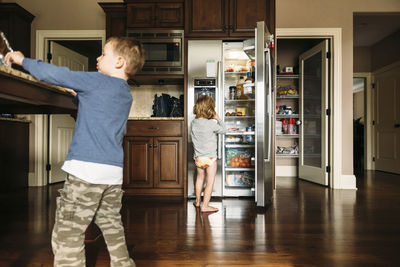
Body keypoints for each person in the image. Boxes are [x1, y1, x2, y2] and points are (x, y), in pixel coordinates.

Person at [4, 36, 145, 267]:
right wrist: (78, 94)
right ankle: (123, 263)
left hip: (86, 173)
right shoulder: (124, 93)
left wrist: (22, 60)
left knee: (68, 232)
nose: (98, 59)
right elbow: (98, 106)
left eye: (103, 54)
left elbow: (56, 74)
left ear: (119, 62)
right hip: (112, 175)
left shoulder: (97, 81)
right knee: (110, 222)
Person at [191, 95, 226, 213]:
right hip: (210, 158)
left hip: (198, 158)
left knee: (200, 179)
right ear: (210, 108)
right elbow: (224, 130)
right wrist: (218, 119)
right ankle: (205, 206)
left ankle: (197, 201)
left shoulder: (193, 123)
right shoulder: (211, 123)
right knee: (210, 181)